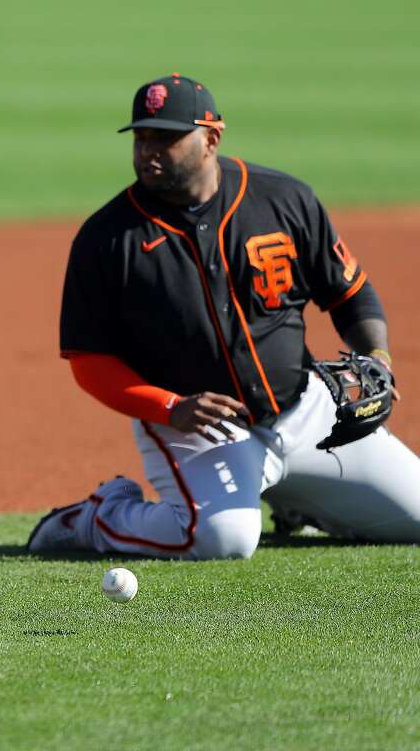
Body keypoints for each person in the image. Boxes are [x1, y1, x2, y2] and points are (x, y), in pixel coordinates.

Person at [29, 74, 420, 559]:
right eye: (142, 136)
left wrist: (377, 358)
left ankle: (303, 502)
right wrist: (171, 408)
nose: (149, 149)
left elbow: (351, 295)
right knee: (223, 540)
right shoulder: (108, 240)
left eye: (167, 137)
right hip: (198, 427)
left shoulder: (283, 200)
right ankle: (98, 517)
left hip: (306, 411)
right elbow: (88, 361)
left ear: (211, 137)